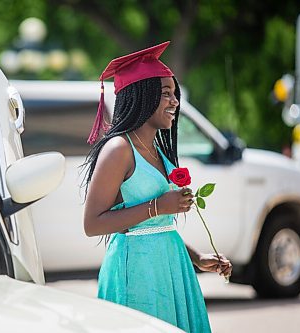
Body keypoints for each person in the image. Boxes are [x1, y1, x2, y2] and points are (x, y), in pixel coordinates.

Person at [83, 41, 232, 332]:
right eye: (166, 93)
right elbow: (92, 223)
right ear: (141, 95)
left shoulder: (158, 151)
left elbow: (160, 227)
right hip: (137, 272)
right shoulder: (119, 149)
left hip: (170, 266)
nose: (175, 101)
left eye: (175, 94)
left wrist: (198, 258)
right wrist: (157, 206)